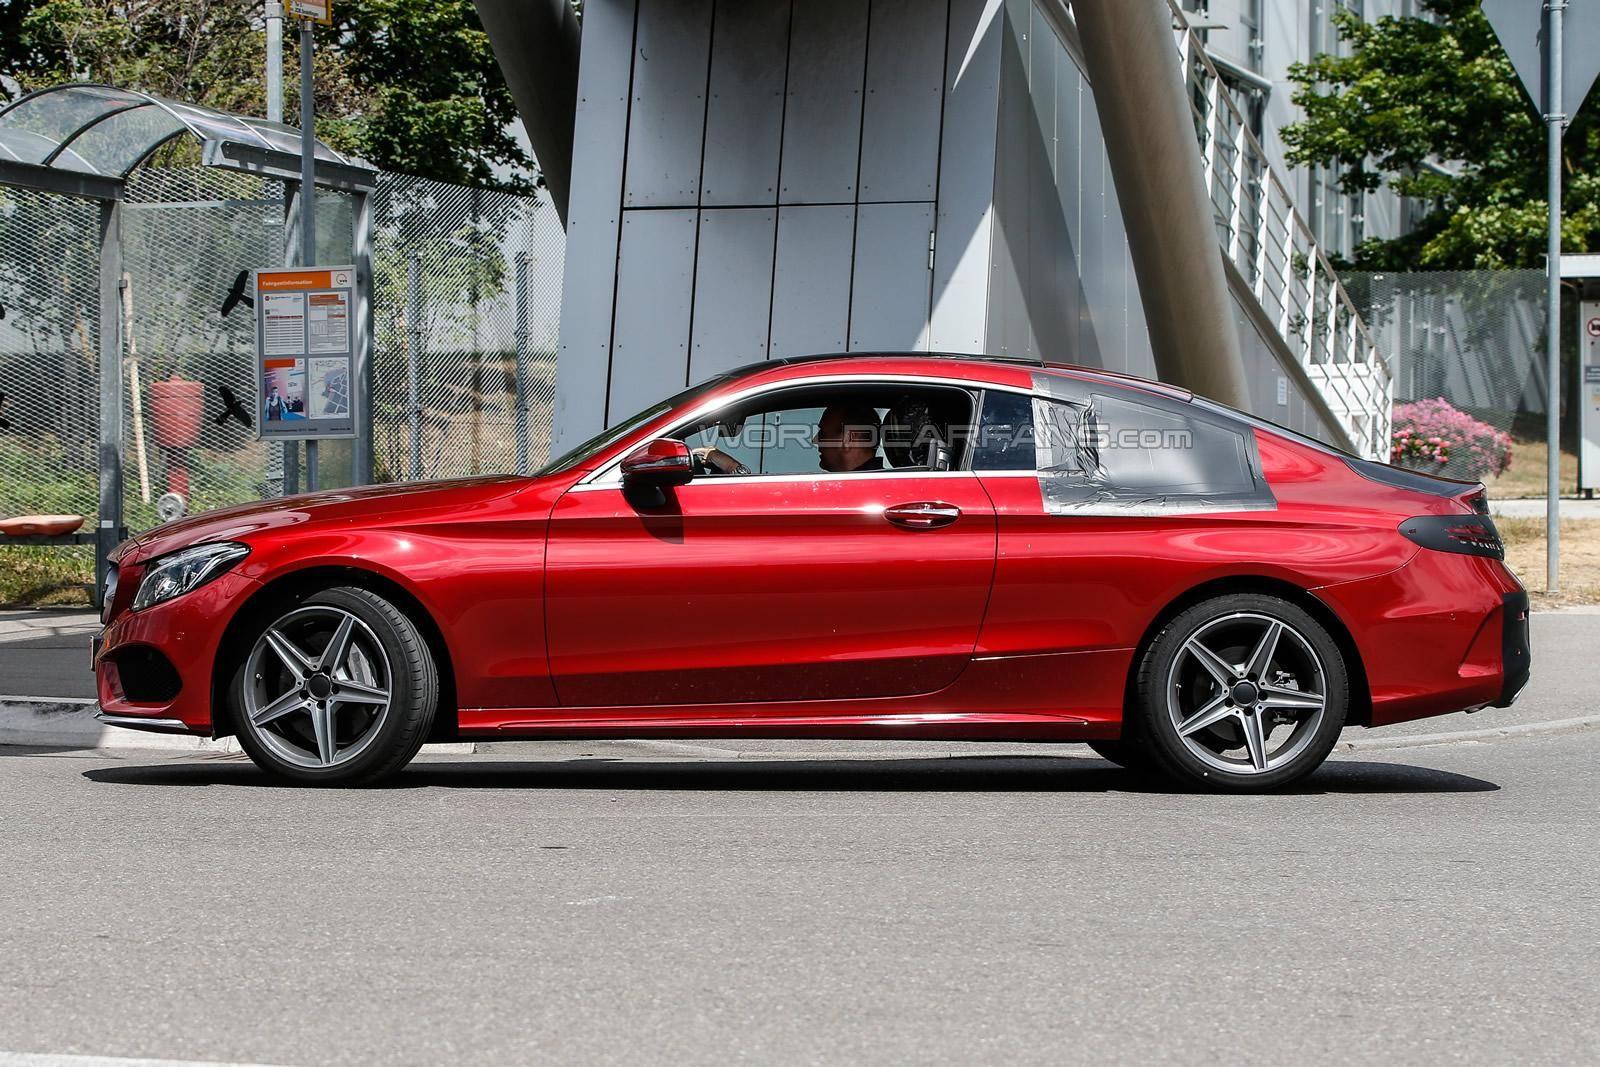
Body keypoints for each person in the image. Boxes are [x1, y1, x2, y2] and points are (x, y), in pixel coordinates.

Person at [693, 402, 883, 475]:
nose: (815, 440)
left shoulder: (863, 488)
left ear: (850, 439)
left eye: (823, 433)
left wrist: (731, 467)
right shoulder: (863, 483)